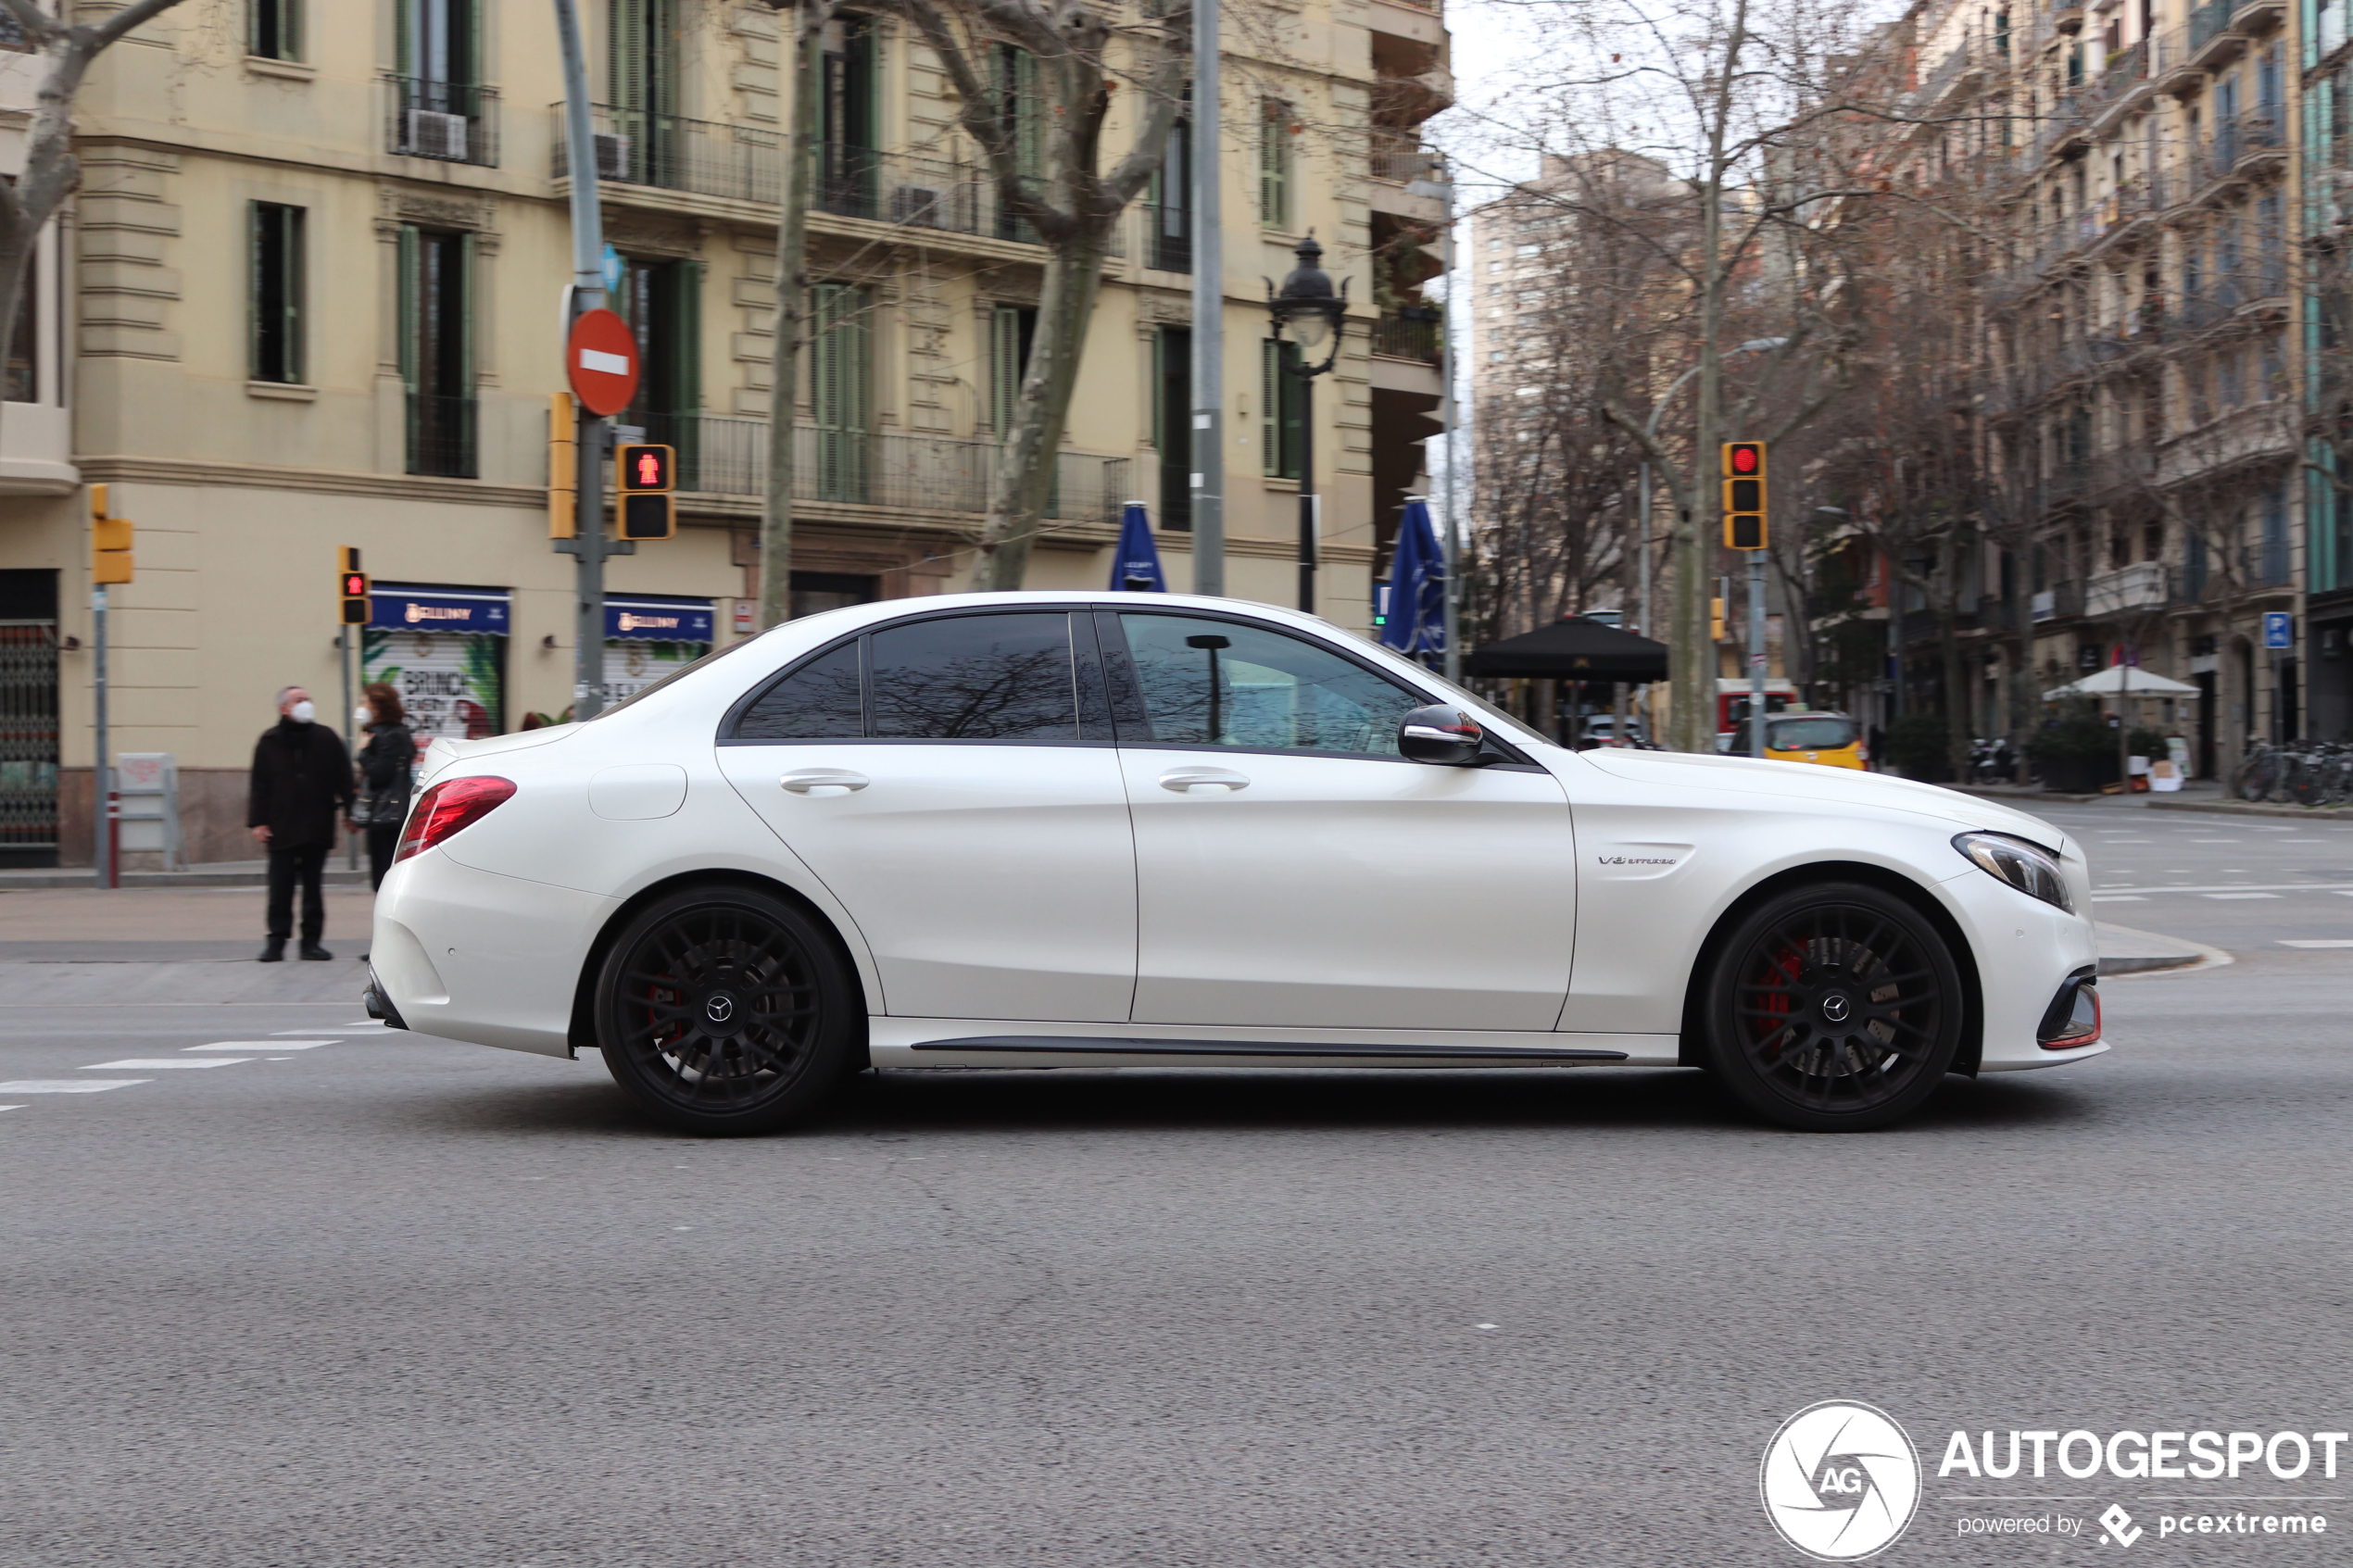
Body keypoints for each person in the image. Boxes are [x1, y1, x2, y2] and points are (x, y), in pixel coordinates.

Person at [248, 685, 353, 962]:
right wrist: (258, 821)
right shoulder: (269, 741)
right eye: (298, 700)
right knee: (279, 889)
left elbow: (344, 776)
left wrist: (351, 812)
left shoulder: (326, 738)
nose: (305, 704)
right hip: (280, 826)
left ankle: (311, 943)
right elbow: (259, 785)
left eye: (307, 699)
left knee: (312, 888)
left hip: (316, 824)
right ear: (284, 708)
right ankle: (276, 942)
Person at [351, 683, 415, 891]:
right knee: (386, 873)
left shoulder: (387, 736)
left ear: (376, 707)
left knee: (385, 876)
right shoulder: (396, 733)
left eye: (364, 702)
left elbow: (380, 774)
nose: (361, 707)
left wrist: (362, 752)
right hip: (390, 812)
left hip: (387, 814)